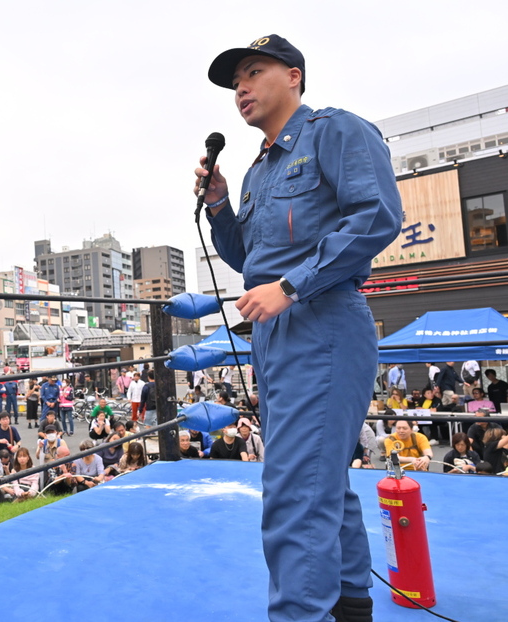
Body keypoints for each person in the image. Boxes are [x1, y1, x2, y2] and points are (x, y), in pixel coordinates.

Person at [199, 34, 402, 622]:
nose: (240, 88)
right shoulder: (257, 172)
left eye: (252, 72)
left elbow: (379, 216)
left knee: (294, 492)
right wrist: (217, 204)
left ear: (293, 76)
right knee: (321, 481)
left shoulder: (334, 131)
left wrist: (290, 287)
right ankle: (350, 607)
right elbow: (247, 258)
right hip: (275, 334)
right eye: (234, 81)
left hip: (323, 323)